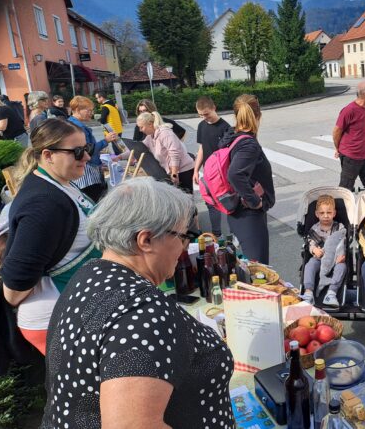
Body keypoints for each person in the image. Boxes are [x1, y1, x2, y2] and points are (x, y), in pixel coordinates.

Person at [41, 178, 234, 428]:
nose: (185, 247)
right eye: (184, 236)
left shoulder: (89, 273)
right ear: (146, 240)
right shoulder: (145, 311)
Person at [0, 119, 100, 354]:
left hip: (72, 307)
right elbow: (14, 285)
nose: (86, 157)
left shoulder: (60, 183)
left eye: (87, 149)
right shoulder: (42, 203)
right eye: (77, 152)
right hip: (54, 318)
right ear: (48, 155)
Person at [217, 94, 275, 264]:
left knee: (248, 267)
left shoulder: (231, 136)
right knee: (259, 270)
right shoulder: (248, 144)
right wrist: (255, 201)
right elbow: (235, 174)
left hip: (237, 210)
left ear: (236, 115)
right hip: (248, 214)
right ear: (259, 115)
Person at [192, 96, 231, 237]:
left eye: (206, 114)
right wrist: (196, 170)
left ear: (214, 107)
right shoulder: (202, 126)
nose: (204, 117)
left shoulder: (225, 127)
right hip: (208, 173)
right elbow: (202, 148)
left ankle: (234, 233)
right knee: (211, 203)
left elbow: (229, 155)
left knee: (228, 203)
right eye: (201, 115)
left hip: (222, 174)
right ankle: (217, 234)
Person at [68, 96, 117, 202]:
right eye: (88, 110)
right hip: (87, 174)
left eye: (92, 110)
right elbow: (87, 150)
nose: (91, 113)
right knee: (96, 201)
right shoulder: (78, 127)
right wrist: (106, 141)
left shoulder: (71, 123)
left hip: (82, 171)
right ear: (77, 110)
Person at [301, 195, 347, 309]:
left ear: (334, 213)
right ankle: (308, 292)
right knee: (310, 265)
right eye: (322, 213)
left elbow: (342, 242)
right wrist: (314, 250)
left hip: (335, 257)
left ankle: (331, 293)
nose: (326, 216)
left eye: (329, 212)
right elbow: (310, 242)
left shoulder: (339, 227)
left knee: (342, 267)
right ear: (317, 214)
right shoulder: (314, 229)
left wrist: (341, 255)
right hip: (319, 257)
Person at [332, 81, 365, 191]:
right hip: (350, 156)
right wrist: (338, 148)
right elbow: (336, 131)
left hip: (363, 155)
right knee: (345, 190)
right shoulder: (349, 110)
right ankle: (341, 208)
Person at [137, 111, 195, 193]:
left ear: (150, 124)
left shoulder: (165, 133)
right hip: (173, 171)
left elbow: (174, 153)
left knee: (186, 200)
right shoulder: (150, 137)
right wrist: (119, 157)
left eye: (141, 127)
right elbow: (139, 147)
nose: (140, 130)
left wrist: (174, 174)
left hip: (183, 171)